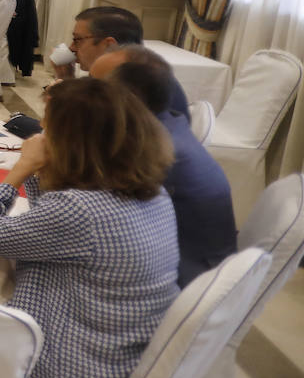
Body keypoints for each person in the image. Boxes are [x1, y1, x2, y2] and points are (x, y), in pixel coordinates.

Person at [0, 77, 179, 378]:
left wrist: (22, 169)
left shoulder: (80, 210)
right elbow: (49, 220)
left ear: (71, 142)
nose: (38, 135)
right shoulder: (153, 194)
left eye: (47, 128)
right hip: (120, 363)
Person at [92, 47, 236, 286]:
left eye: (94, 88)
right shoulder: (164, 124)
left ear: (127, 96)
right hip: (186, 261)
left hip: (185, 282)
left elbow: (89, 212)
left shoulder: (152, 150)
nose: (82, 95)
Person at [56, 6, 190, 114]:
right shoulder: (124, 68)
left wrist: (64, 85)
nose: (71, 48)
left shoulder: (132, 83)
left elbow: (80, 127)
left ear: (109, 44)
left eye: (77, 40)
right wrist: (66, 78)